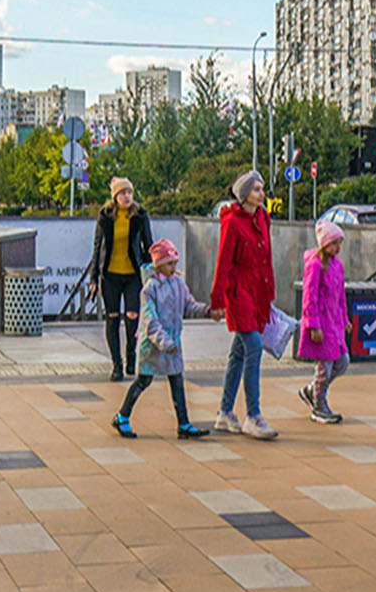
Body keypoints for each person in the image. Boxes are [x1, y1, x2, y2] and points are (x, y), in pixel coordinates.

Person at [111, 240, 212, 440]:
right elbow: (149, 322)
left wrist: (207, 311)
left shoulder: (178, 284)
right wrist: (165, 343)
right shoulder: (149, 289)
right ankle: (122, 415)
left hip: (171, 344)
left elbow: (189, 306)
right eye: (169, 263)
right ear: (158, 265)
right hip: (153, 346)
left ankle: (183, 423)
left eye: (175, 262)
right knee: (143, 380)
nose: (174, 267)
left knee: (177, 380)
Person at [210, 169, 278, 440]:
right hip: (238, 294)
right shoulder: (232, 222)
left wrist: (269, 292)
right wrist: (217, 301)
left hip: (256, 291)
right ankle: (253, 416)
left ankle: (225, 413)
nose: (262, 194)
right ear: (244, 195)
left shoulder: (263, 217)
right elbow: (223, 262)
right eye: (256, 190)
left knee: (238, 354)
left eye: (261, 189)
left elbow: (267, 255)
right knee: (253, 347)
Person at [88, 177, 155, 381]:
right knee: (113, 318)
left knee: (133, 316)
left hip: (133, 275)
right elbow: (98, 247)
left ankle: (131, 355)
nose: (127, 197)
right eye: (122, 193)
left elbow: (148, 244)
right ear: (115, 196)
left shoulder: (140, 215)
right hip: (110, 275)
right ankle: (116, 364)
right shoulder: (106, 216)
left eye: (129, 193)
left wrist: (154, 270)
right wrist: (93, 278)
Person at [297, 218, 350, 423]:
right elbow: (309, 296)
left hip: (334, 322)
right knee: (325, 365)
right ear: (324, 243)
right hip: (323, 323)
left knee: (342, 362)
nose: (338, 247)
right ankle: (319, 403)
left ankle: (313, 390)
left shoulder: (337, 266)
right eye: (334, 243)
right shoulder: (316, 264)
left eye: (339, 243)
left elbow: (340, 295)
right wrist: (313, 324)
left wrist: (344, 319)